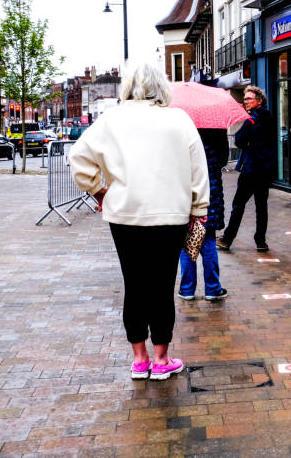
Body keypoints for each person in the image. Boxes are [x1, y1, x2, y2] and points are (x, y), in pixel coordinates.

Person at [69, 63, 209, 381]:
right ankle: (161, 359)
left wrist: (99, 190)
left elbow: (78, 156)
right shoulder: (178, 119)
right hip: (170, 215)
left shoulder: (112, 119)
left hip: (124, 214)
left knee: (134, 284)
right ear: (161, 85)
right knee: (162, 284)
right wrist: (199, 207)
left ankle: (139, 359)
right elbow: (198, 168)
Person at [216, 85, 276, 252]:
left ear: (259, 100)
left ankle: (227, 239)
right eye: (245, 99)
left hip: (251, 170)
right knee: (261, 207)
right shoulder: (269, 118)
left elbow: (239, 139)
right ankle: (261, 241)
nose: (246, 101)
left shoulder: (251, 120)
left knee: (238, 205)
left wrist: (248, 142)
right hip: (265, 170)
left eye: (249, 99)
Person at [178, 128, 229, 302]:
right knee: (208, 241)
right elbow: (223, 158)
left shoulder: (182, 124)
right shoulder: (216, 127)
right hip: (210, 190)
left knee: (187, 241)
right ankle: (213, 288)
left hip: (187, 188)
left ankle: (187, 289)